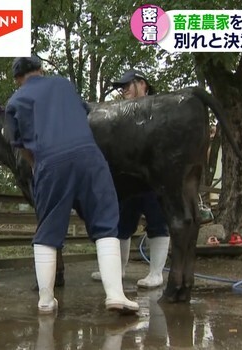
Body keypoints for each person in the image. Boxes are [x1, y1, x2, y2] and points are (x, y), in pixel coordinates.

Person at [5, 56, 139, 314]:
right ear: (41, 70)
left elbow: (18, 144)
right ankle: (115, 294)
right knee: (105, 219)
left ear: (17, 80)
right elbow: (85, 114)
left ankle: (45, 301)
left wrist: (37, 165)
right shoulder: (63, 85)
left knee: (48, 227)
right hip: (89, 157)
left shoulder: (15, 102)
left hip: (49, 162)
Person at [89, 69, 170, 289]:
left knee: (157, 223)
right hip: (125, 178)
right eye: (121, 87)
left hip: (151, 177)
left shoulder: (159, 108)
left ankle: (156, 273)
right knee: (120, 226)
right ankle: (119, 270)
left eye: (127, 85)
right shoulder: (119, 113)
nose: (123, 90)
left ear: (142, 84)